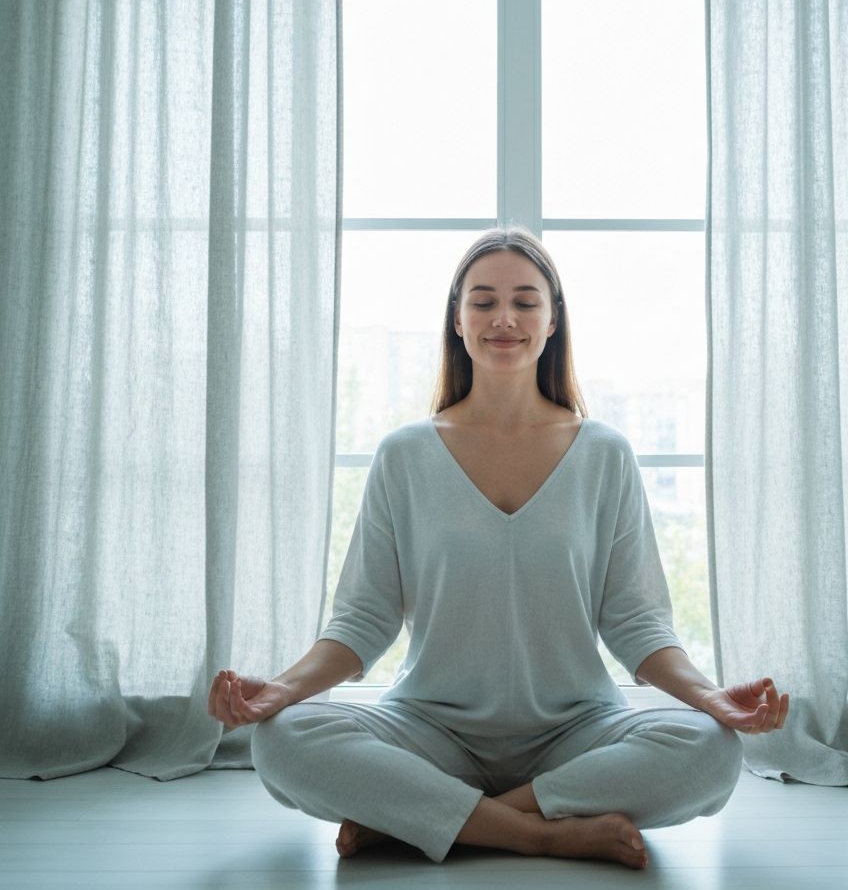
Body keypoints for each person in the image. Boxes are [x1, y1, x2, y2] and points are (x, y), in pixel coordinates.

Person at [207, 226, 789, 870]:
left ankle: (423, 818)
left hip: (577, 730)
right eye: (482, 301)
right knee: (283, 740)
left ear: (552, 319)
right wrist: (279, 692)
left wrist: (709, 699)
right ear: (457, 320)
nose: (503, 318)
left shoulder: (604, 455)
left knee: (711, 751)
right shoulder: (404, 456)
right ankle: (539, 830)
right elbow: (363, 622)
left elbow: (636, 622)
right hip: (430, 728)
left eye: (525, 301)